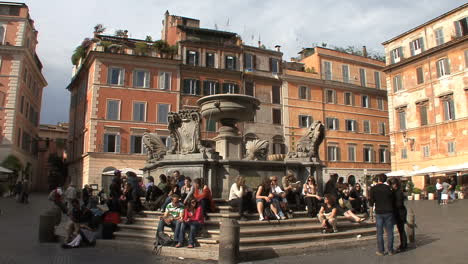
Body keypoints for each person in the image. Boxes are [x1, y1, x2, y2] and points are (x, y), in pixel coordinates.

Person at [369, 173, 395, 256]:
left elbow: (371, 203)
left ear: (378, 179)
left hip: (379, 212)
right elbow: (392, 200)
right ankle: (390, 250)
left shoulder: (373, 189)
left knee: (380, 233)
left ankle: (381, 251)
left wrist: (371, 214)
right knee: (390, 232)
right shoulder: (389, 188)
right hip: (389, 211)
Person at [391, 178, 407, 252]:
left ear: (395, 184)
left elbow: (399, 204)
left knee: (401, 229)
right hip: (398, 212)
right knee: (400, 229)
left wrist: (393, 205)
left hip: (400, 212)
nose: (392, 185)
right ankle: (403, 244)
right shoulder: (395, 191)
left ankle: (403, 245)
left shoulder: (399, 192)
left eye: (393, 184)